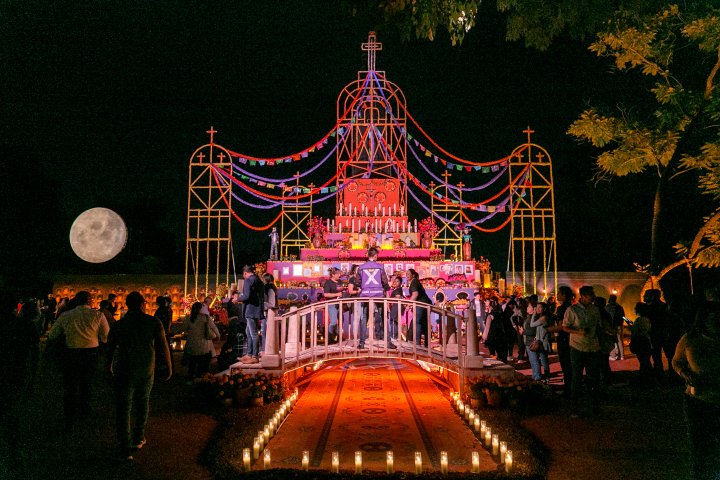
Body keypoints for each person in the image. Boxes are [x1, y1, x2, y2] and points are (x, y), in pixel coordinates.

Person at [105, 291, 172, 461]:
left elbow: (110, 348)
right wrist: (168, 367)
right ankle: (138, 437)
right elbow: (163, 347)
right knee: (142, 403)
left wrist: (107, 367)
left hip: (124, 369)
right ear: (143, 304)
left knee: (124, 407)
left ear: (127, 305)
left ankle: (124, 446)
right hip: (145, 368)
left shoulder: (119, 325)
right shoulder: (152, 322)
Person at [672, 286, 720, 480]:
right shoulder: (690, 339)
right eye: (712, 318)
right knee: (700, 445)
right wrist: (684, 372)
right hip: (698, 400)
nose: (716, 321)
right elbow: (677, 361)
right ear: (704, 319)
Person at [47, 290, 110, 432]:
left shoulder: (66, 315)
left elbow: (53, 334)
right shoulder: (98, 315)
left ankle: (69, 416)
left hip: (71, 353)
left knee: (70, 385)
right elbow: (106, 336)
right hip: (90, 354)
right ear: (90, 301)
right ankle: (84, 412)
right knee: (86, 384)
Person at [0, 293, 39, 475]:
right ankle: (14, 454)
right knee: (12, 414)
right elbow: (34, 354)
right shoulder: (25, 326)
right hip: (16, 373)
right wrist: (32, 377)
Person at [562, 285, 602, 417]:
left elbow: (599, 326)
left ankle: (594, 407)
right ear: (583, 296)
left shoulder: (595, 309)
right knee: (576, 378)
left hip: (593, 348)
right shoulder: (572, 310)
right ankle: (575, 408)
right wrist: (578, 332)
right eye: (591, 295)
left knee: (594, 378)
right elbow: (565, 327)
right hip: (577, 347)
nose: (593, 297)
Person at [357, 247, 389, 349]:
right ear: (375, 256)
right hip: (378, 294)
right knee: (383, 317)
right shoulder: (380, 266)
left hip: (366, 295)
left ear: (368, 255)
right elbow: (384, 281)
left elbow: (357, 282)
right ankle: (388, 342)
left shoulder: (361, 267)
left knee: (364, 318)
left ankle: (361, 343)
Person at [182, 302, 219, 381]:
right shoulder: (206, 317)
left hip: (192, 345)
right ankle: (202, 379)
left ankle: (191, 379)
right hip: (204, 346)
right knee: (203, 364)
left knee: (192, 364)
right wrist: (218, 335)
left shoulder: (189, 318)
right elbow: (214, 327)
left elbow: (184, 329)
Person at [547, 286, 574, 396]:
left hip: (564, 338)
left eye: (559, 293)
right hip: (570, 338)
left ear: (564, 295)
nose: (557, 295)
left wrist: (547, 330)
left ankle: (568, 390)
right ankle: (570, 387)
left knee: (566, 364)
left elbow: (561, 326)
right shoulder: (571, 307)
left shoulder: (562, 308)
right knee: (569, 364)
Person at [237, 265, 264, 362]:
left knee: (253, 333)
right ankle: (249, 354)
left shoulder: (248, 280)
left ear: (245, 273)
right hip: (256, 309)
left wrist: (238, 299)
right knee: (249, 332)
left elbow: (246, 296)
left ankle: (254, 356)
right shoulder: (258, 280)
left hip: (250, 309)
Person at [405, 268, 431, 347]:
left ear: (413, 275)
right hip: (424, 304)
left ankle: (417, 343)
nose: (407, 275)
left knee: (417, 322)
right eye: (406, 274)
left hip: (421, 304)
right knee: (421, 323)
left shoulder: (414, 282)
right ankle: (424, 344)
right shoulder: (415, 282)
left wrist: (409, 305)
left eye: (408, 274)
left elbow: (415, 294)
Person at [629, 302, 653, 385]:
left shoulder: (640, 320)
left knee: (643, 361)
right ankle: (648, 379)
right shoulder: (646, 319)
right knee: (645, 361)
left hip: (641, 342)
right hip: (646, 342)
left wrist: (631, 327)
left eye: (635, 308)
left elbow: (636, 332)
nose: (634, 309)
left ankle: (645, 380)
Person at [530, 302, 552, 381]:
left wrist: (534, 314)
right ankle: (547, 377)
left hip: (543, 343)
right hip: (540, 342)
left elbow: (532, 324)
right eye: (537, 307)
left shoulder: (544, 318)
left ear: (544, 309)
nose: (538, 309)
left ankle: (547, 377)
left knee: (544, 360)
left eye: (540, 307)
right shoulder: (542, 317)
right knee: (543, 360)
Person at [322, 268, 343, 344]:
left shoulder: (340, 281)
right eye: (337, 274)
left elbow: (341, 290)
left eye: (339, 273)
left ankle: (338, 337)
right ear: (333, 274)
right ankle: (329, 338)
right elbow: (325, 294)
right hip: (332, 304)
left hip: (340, 303)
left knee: (340, 321)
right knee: (333, 322)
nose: (339, 275)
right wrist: (336, 294)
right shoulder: (328, 283)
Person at [606, 294, 626, 360]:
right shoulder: (620, 307)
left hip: (611, 326)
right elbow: (623, 316)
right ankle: (622, 355)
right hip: (618, 325)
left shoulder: (607, 307)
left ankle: (614, 355)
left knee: (611, 340)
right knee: (620, 340)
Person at [386, 274, 404, 349]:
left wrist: (390, 299)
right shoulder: (396, 290)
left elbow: (398, 297)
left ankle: (393, 336)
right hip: (395, 306)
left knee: (393, 320)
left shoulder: (398, 290)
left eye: (397, 281)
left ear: (400, 283)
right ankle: (395, 336)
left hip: (397, 306)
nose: (395, 282)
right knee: (394, 321)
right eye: (395, 281)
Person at [262, 273, 278, 353]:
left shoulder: (269, 288)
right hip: (269, 312)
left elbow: (272, 303)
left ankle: (265, 349)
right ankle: (265, 349)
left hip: (269, 312)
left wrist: (262, 305)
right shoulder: (271, 287)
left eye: (263, 279)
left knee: (266, 332)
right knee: (265, 331)